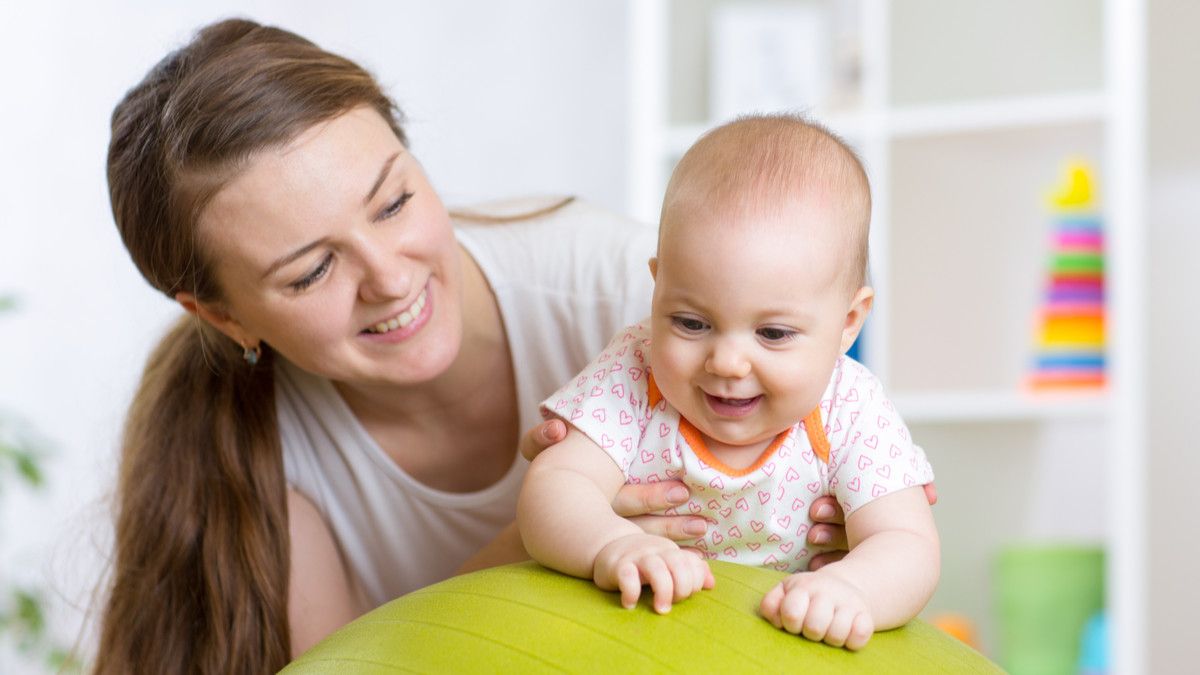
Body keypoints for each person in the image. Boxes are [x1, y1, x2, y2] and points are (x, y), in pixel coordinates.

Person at [91, 19, 869, 673]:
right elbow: (353, 670)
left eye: (393, 202)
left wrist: (845, 527)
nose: (389, 279)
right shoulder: (261, 455)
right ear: (224, 317)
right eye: (313, 270)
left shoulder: (642, 304)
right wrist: (535, 536)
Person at [518, 114, 940, 651]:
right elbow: (556, 487)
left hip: (786, 647)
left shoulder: (849, 405)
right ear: (658, 288)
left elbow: (906, 541)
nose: (727, 363)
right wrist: (613, 544)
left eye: (773, 333)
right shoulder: (634, 369)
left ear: (848, 323)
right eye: (691, 323)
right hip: (636, 636)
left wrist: (849, 587)